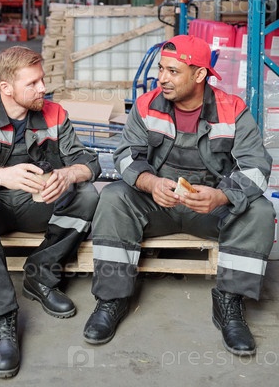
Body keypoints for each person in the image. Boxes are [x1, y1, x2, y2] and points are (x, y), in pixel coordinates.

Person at [83, 34, 275, 357]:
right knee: (114, 197)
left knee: (260, 211)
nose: (162, 78)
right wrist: (149, 183)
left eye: (173, 71)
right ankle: (112, 298)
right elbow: (125, 155)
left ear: (199, 75)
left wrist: (221, 196)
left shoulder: (232, 109)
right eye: (161, 69)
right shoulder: (146, 105)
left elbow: (257, 167)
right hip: (158, 204)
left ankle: (229, 302)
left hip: (210, 208)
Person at [0, 46, 100, 379]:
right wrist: (2, 176)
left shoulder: (54, 114)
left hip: (32, 205)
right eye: (33, 83)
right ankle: (2, 318)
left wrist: (67, 175)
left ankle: (40, 276)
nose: (43, 88)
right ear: (6, 87)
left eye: (42, 80)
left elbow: (89, 163)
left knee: (85, 194)